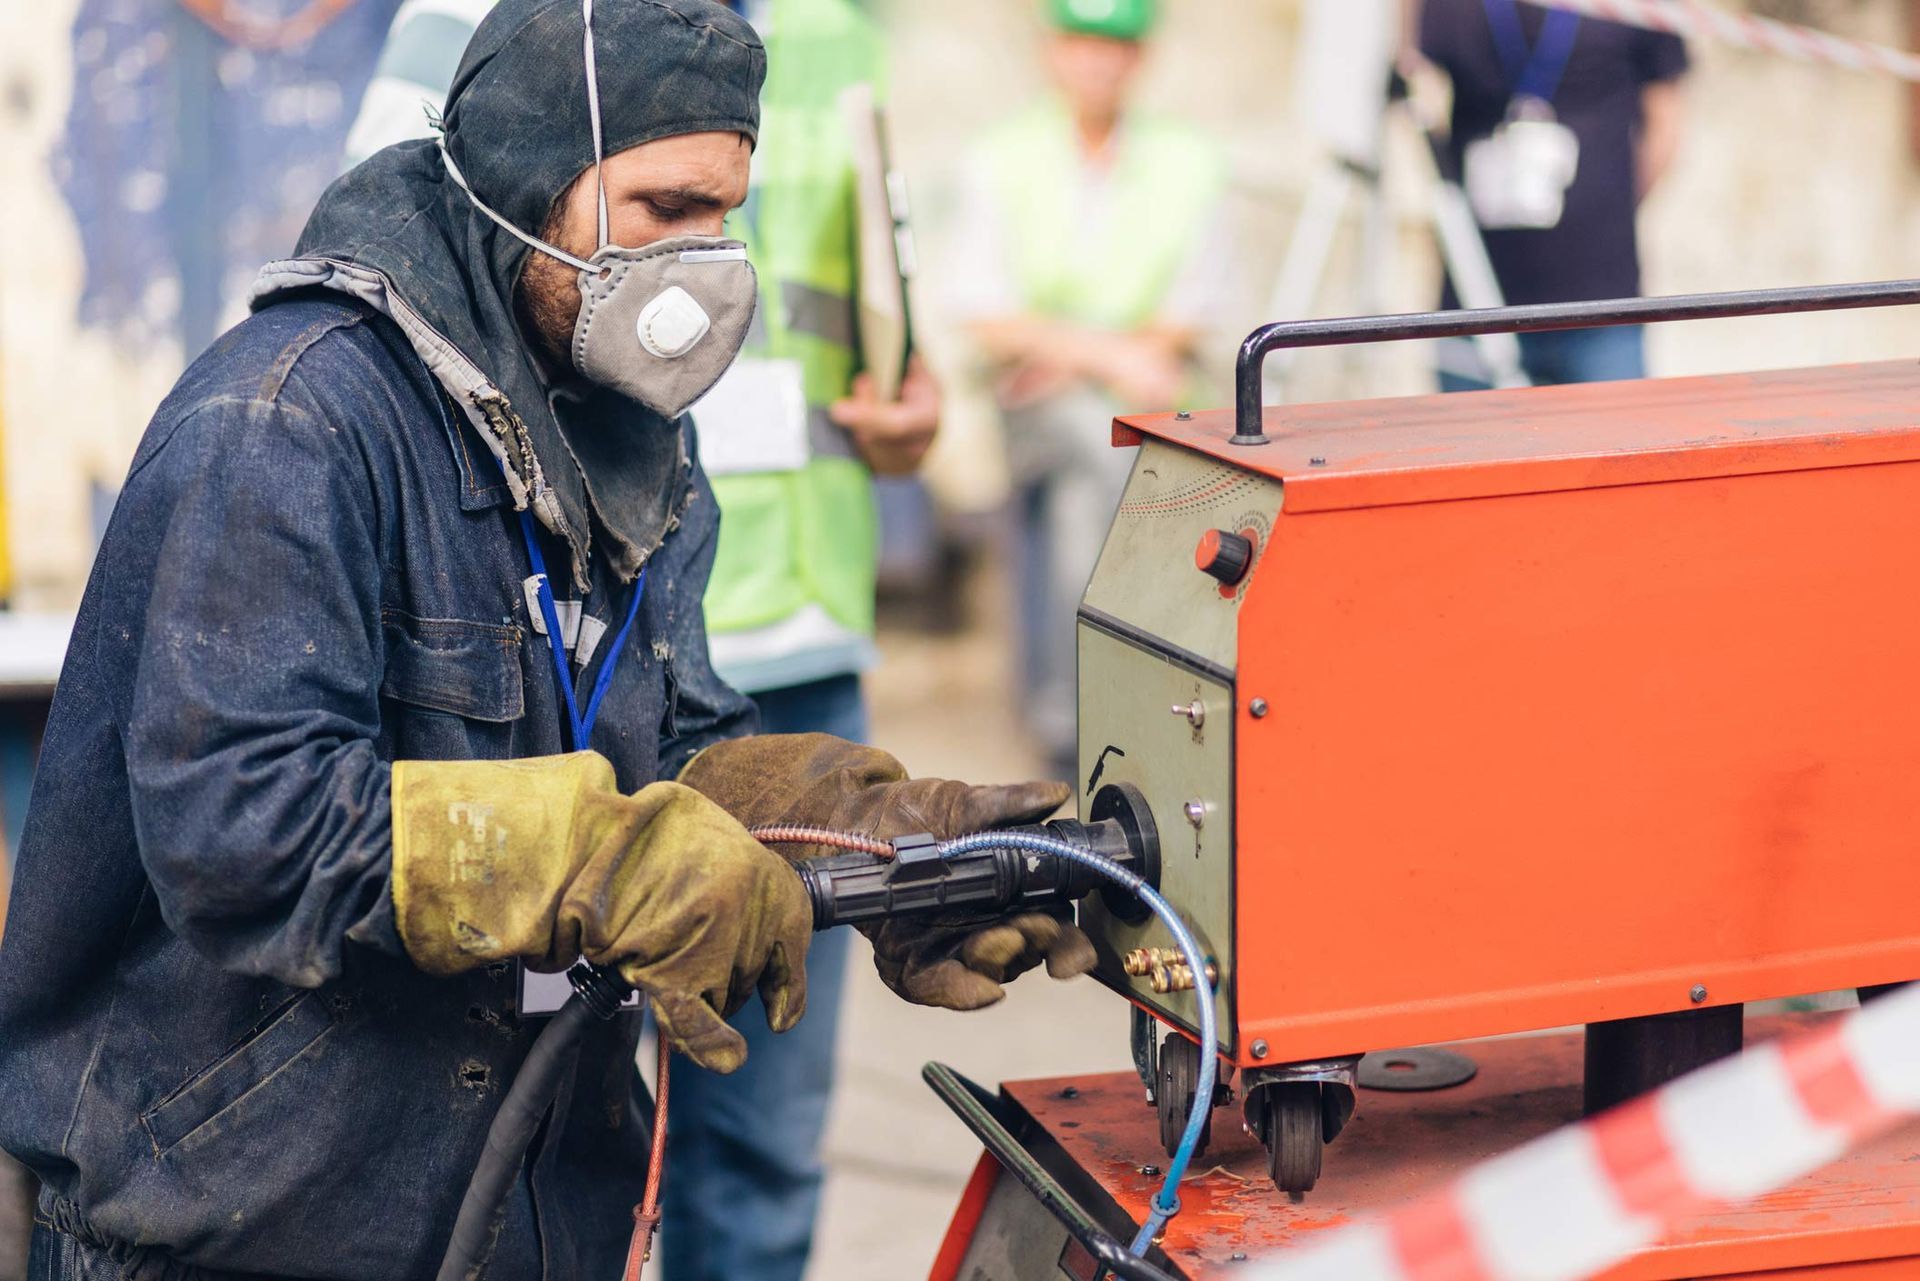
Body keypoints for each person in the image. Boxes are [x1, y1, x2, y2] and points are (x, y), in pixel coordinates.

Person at [0, 3, 1092, 1277]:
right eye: (663, 210)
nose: (709, 260)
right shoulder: (289, 420)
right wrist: (589, 859)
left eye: (723, 214)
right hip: (251, 1221)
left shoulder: (629, 443)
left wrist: (866, 840)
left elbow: (658, 751)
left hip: (522, 1214)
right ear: (529, 186)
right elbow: (246, 830)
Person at [343, 0, 935, 1276]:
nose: (706, 252)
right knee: (513, 1109)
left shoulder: (833, 32)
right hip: (534, 627)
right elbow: (391, 293)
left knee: (758, 1126)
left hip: (768, 625)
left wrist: (909, 413)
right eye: (671, 209)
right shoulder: (481, 25)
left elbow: (886, 297)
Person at [947, 0, 1231, 776]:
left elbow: (1193, 303)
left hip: (1149, 392)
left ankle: (1071, 716)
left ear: (1140, 58)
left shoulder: (1190, 159)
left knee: (1091, 477)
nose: (1098, 64)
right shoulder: (1000, 156)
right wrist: (1104, 356)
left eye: (1116, 47)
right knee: (1094, 448)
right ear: (1053, 52)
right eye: (1082, 45)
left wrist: (1075, 354)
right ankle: (1094, 709)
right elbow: (981, 309)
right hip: (1047, 401)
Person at [1415, 0, 1689, 388]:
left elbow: (1666, 126)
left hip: (1600, 306)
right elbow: (1411, 71)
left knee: (1613, 445)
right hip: (1475, 298)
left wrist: (1604, 214)